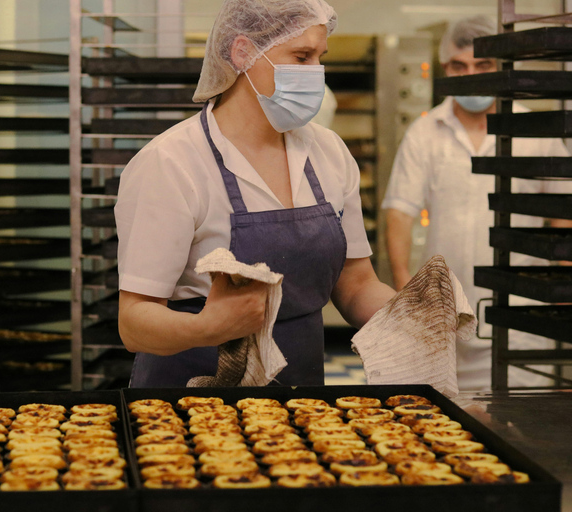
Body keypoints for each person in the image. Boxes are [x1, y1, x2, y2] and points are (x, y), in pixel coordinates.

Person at [114, 0, 396, 387]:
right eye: (301, 56)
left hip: (301, 394)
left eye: (320, 57)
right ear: (243, 52)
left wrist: (408, 315)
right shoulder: (172, 162)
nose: (316, 73)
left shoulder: (328, 151)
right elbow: (134, 322)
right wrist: (207, 328)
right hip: (190, 400)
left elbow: (356, 282)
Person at [382, 15, 572, 391]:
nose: (471, 75)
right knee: (445, 422)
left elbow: (563, 218)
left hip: (520, 322)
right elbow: (399, 213)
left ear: (501, 66)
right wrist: (407, 295)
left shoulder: (535, 133)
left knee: (520, 419)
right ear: (445, 68)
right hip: (442, 322)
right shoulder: (424, 132)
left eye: (482, 64)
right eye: (459, 66)